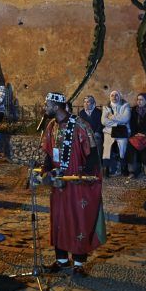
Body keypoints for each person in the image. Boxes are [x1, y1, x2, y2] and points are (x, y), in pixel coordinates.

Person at [39, 92, 106, 275]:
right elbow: (48, 152)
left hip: (77, 183)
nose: (45, 107)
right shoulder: (51, 126)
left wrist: (84, 176)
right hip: (58, 182)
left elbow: (92, 154)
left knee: (78, 220)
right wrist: (46, 170)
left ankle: (78, 264)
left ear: (57, 106)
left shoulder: (80, 125)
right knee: (59, 219)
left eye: (47, 104)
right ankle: (61, 261)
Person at [101, 90, 131, 176]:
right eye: (112, 95)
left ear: (119, 96)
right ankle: (105, 169)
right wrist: (117, 123)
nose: (114, 97)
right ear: (110, 97)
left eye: (116, 95)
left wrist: (111, 117)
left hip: (122, 132)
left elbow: (126, 118)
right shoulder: (106, 107)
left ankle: (123, 169)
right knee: (106, 149)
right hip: (109, 132)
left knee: (123, 150)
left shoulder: (125, 106)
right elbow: (104, 121)